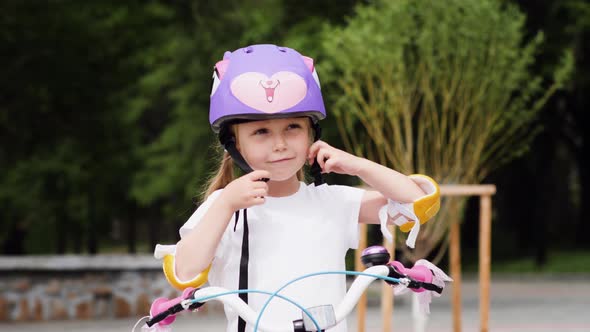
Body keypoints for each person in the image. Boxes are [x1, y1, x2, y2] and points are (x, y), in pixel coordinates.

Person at [155, 44, 441, 332]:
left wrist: (358, 165)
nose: (280, 144)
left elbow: (418, 201)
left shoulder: (330, 201)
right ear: (235, 144)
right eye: (261, 132)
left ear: (311, 134)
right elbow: (185, 272)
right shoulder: (227, 205)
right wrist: (227, 204)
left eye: (293, 127)